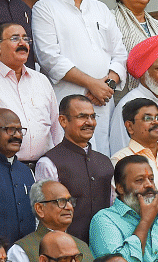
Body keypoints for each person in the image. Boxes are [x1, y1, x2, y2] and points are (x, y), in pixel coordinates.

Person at [32, 0, 128, 155]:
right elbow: (49, 58)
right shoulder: (45, 8)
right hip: (68, 101)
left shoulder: (100, 9)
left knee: (103, 160)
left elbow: (120, 53)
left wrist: (107, 84)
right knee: (70, 164)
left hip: (103, 102)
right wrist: (92, 84)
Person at [0, 22, 58, 161]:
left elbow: (56, 128)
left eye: (26, 39)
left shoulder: (42, 80)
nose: (23, 43)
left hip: (42, 168)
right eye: (15, 39)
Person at [33, 95, 116, 243]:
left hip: (104, 249)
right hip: (66, 251)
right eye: (82, 117)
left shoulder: (105, 162)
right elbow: (45, 217)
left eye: (92, 116)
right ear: (63, 121)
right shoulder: (49, 162)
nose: (90, 122)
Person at [9, 180, 95, 262]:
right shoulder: (21, 251)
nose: (69, 207)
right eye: (61, 202)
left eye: (70, 201)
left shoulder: (82, 246)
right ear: (40, 208)